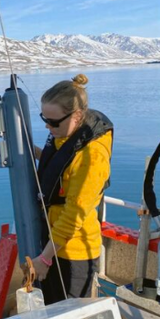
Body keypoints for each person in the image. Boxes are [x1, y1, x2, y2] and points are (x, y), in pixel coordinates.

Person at [32, 73, 113, 305]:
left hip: (74, 254)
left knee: (69, 317)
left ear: (77, 116)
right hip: (54, 244)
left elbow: (73, 214)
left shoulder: (92, 156)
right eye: (44, 119)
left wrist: (45, 260)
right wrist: (32, 152)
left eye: (54, 122)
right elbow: (59, 165)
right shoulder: (65, 135)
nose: (48, 126)